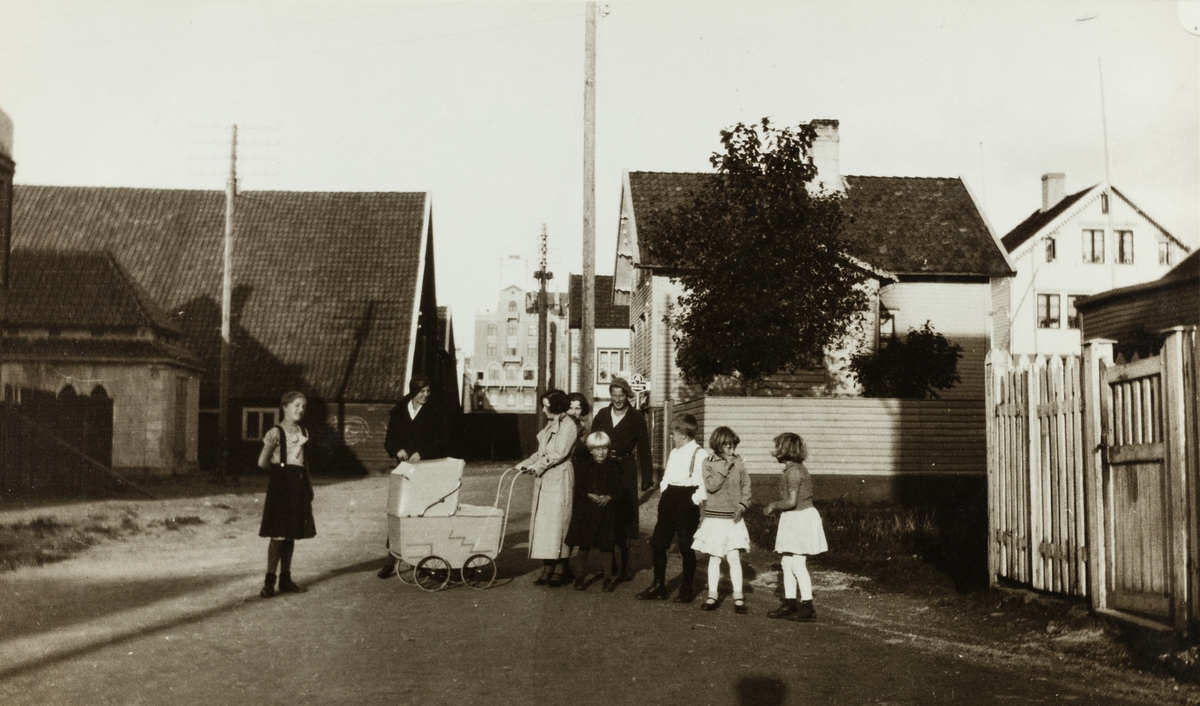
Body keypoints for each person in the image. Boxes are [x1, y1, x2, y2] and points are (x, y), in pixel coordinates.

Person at [378, 375, 450, 579]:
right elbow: (389, 439)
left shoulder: (435, 413)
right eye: (422, 392)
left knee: (422, 513)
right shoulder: (399, 411)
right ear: (413, 392)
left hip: (425, 469)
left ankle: (424, 561)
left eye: (428, 391)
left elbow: (442, 439)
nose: (426, 395)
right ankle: (390, 560)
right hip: (403, 469)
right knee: (398, 511)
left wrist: (423, 452)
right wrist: (397, 449)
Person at [636, 413, 705, 603]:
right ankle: (659, 586)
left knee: (685, 545)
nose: (671, 437)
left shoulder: (700, 454)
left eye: (673, 433)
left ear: (683, 434)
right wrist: (665, 490)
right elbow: (667, 476)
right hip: (669, 499)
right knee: (658, 543)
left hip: (687, 500)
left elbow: (705, 483)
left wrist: (694, 499)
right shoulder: (674, 452)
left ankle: (687, 587)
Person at [590, 378, 652, 579]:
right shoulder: (601, 415)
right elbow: (593, 443)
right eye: (614, 395)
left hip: (626, 469)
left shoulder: (636, 418)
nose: (617, 399)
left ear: (627, 395)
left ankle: (625, 566)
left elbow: (644, 448)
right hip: (604, 467)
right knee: (604, 514)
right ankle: (610, 564)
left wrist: (647, 477)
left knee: (625, 516)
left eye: (621, 395)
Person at [257, 391, 317, 598]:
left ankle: (286, 579)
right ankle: (269, 581)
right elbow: (262, 462)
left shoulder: (303, 431)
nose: (301, 409)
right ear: (285, 407)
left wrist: (308, 486)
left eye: (303, 407)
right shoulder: (275, 432)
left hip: (298, 485)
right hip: (281, 487)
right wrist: (281, 470)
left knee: (291, 533)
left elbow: (305, 462)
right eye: (297, 405)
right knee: (278, 534)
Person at [516, 389, 578, 587]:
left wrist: (538, 466)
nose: (543, 410)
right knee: (545, 526)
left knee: (559, 524)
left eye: (546, 406)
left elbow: (559, 453)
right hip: (546, 480)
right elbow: (541, 452)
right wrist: (526, 463)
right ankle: (547, 567)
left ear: (556, 406)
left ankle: (560, 568)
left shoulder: (568, 425)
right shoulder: (552, 424)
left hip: (560, 478)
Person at [764, 432, 827, 622]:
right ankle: (790, 604)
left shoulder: (793, 472)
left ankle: (808, 607)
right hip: (794, 519)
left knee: (798, 564)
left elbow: (791, 502)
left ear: (785, 451)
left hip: (801, 520)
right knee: (786, 563)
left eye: (777, 447)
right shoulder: (795, 469)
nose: (775, 451)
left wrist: (773, 505)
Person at [692, 426, 752, 614]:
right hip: (715, 518)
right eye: (728, 447)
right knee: (715, 558)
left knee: (733, 557)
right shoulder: (708, 463)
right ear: (718, 445)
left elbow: (746, 487)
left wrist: (742, 506)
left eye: (733, 446)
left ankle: (738, 597)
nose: (732, 450)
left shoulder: (739, 463)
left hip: (732, 519)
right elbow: (711, 486)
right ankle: (712, 595)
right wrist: (725, 468)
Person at [564, 432, 632, 592]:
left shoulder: (614, 466)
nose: (601, 452)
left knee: (606, 545)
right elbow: (578, 487)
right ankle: (580, 576)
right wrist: (589, 495)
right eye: (597, 449)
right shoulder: (584, 466)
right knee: (584, 543)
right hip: (588, 510)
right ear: (590, 450)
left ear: (608, 449)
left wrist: (609, 497)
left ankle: (607, 577)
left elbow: (619, 488)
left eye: (604, 448)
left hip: (607, 510)